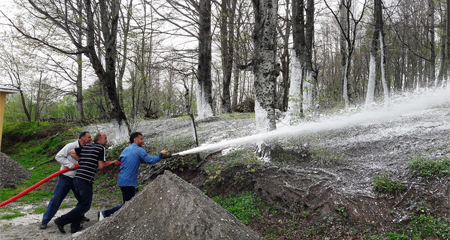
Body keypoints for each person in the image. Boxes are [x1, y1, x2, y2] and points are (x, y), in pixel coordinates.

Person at [54, 133, 118, 234]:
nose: (106, 140)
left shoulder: (87, 146)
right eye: (105, 138)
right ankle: (61, 220)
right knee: (85, 205)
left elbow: (72, 152)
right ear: (99, 140)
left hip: (77, 178)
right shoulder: (101, 148)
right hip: (85, 179)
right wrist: (112, 162)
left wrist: (83, 161)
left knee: (81, 203)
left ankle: (75, 226)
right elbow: (101, 166)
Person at [98, 132, 168, 221]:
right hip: (128, 181)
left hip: (122, 180)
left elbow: (125, 160)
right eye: (141, 139)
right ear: (135, 140)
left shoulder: (126, 150)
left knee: (128, 203)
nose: (143, 141)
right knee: (128, 204)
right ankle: (105, 214)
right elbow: (152, 160)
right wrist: (161, 154)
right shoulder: (139, 150)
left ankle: (122, 218)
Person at [39, 131, 92, 230]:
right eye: (89, 137)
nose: (91, 139)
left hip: (78, 178)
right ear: (83, 138)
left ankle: (80, 216)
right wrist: (69, 165)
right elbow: (58, 156)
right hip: (66, 177)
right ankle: (45, 221)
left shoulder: (88, 148)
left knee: (82, 200)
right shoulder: (70, 146)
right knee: (56, 199)